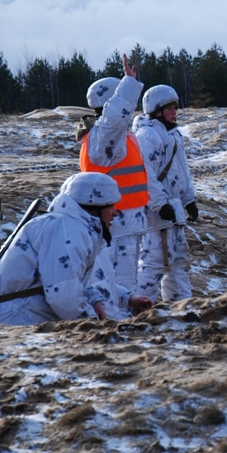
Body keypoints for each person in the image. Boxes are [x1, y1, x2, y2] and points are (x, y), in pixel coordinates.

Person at [0, 172, 128, 327]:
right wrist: (90, 324)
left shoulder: (68, 224)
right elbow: (63, 295)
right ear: (95, 207)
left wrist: (94, 300)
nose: (115, 213)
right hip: (8, 317)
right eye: (111, 206)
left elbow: (68, 279)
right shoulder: (69, 230)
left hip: (8, 312)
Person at [77, 54, 149, 293]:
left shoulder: (114, 136)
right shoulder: (104, 135)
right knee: (120, 282)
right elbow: (115, 115)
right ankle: (119, 324)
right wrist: (128, 85)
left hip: (126, 220)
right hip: (117, 222)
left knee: (127, 280)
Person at [133, 85, 198, 302]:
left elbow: (182, 170)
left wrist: (189, 200)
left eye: (175, 107)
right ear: (156, 109)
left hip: (175, 208)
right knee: (155, 262)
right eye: (169, 107)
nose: (174, 111)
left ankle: (181, 306)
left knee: (178, 261)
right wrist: (160, 204)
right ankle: (140, 309)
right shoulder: (146, 136)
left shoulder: (173, 134)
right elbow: (146, 175)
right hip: (157, 212)